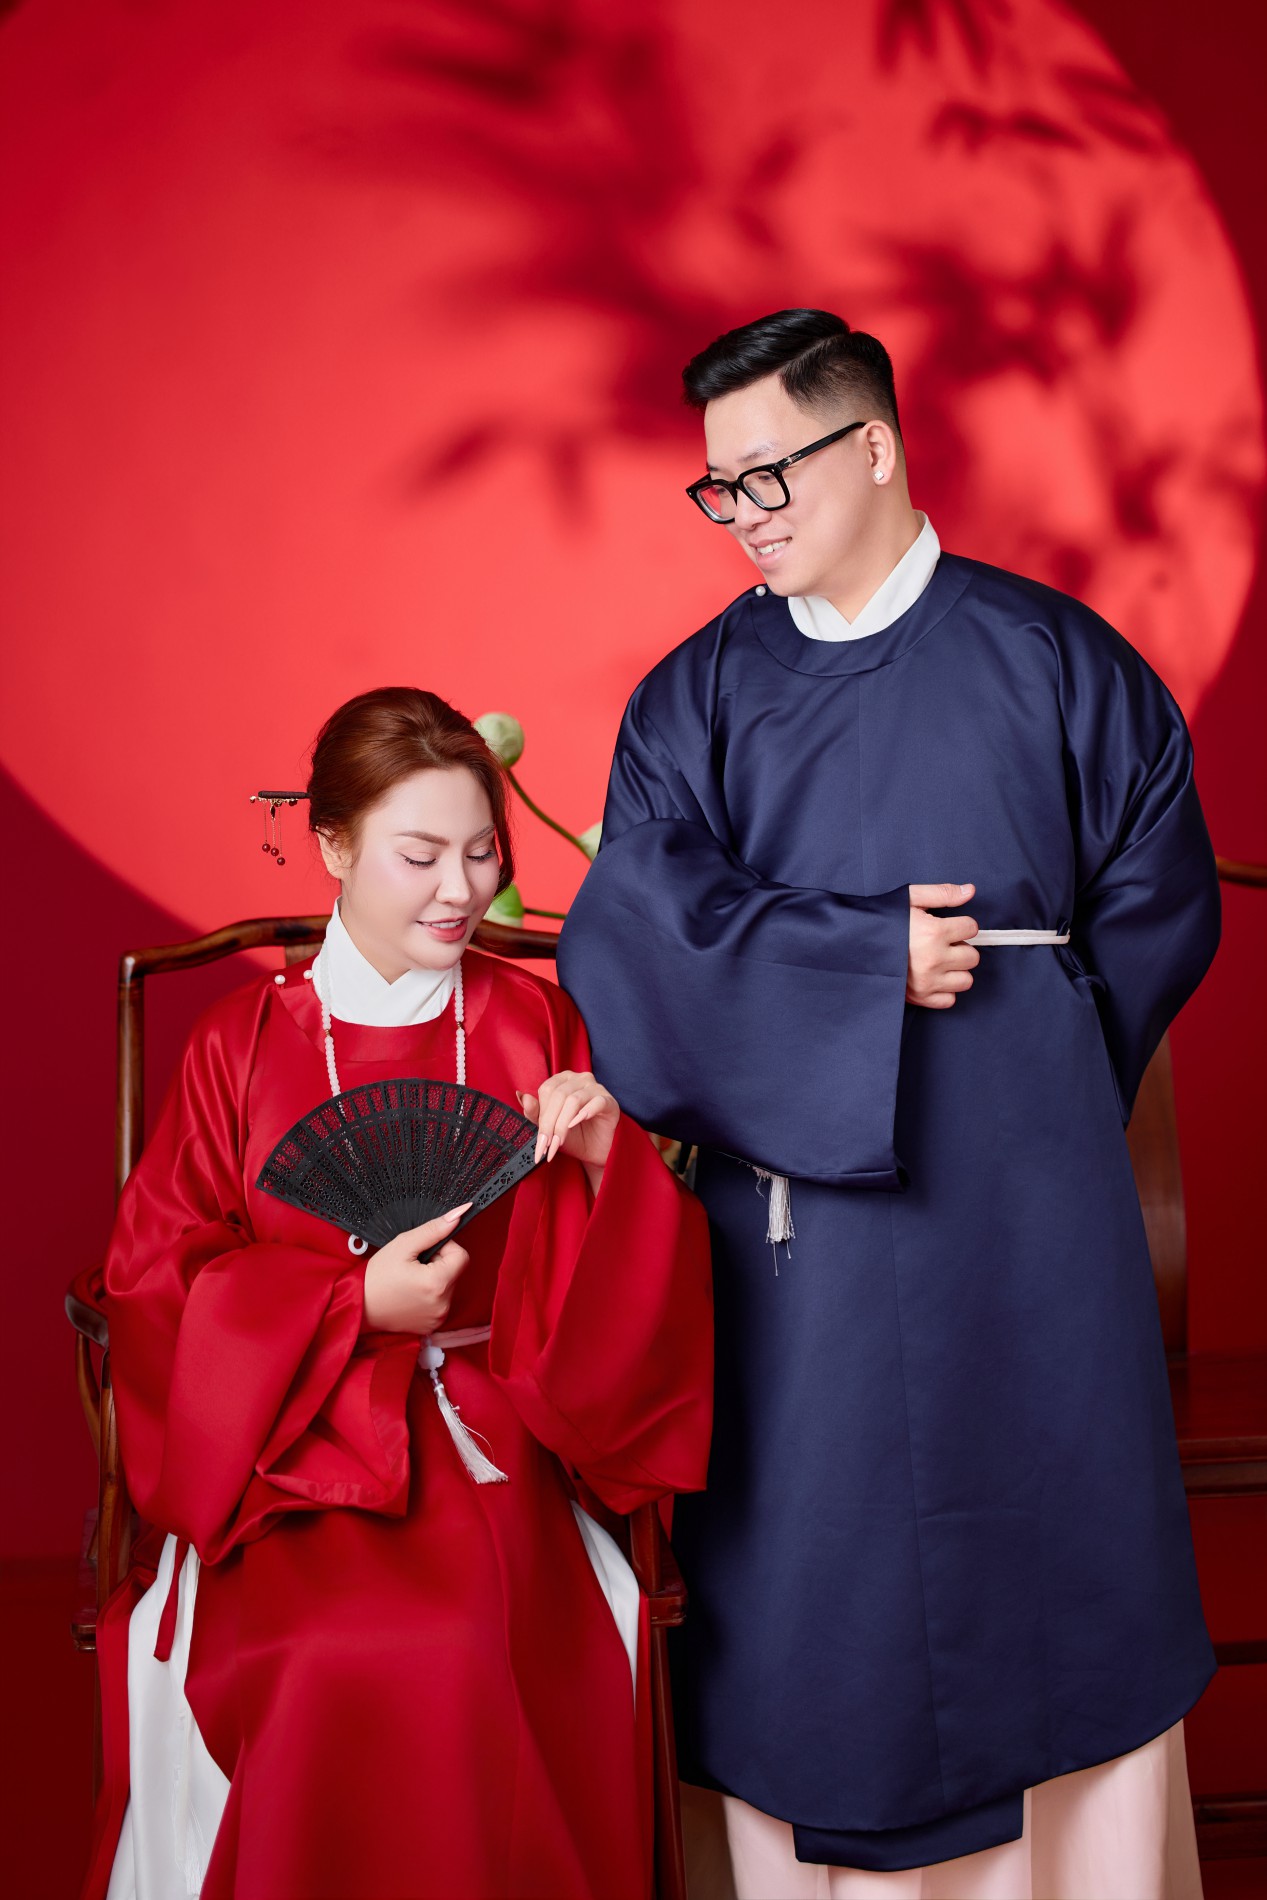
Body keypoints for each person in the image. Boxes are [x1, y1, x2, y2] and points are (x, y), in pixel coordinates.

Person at [556, 309, 1218, 1897]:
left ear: (871, 445)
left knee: (1057, 1556)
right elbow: (630, 940)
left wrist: (1024, 1075)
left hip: (1027, 1204)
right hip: (800, 1250)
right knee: (823, 1577)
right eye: (717, 488)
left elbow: (1153, 905)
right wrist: (858, 971)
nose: (741, 513)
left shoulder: (1055, 659)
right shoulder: (693, 699)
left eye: (767, 473)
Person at [82, 686, 713, 1900]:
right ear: (332, 846)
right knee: (319, 1654)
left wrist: (605, 1165)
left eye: (482, 853)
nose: (458, 891)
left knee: (474, 1644)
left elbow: (619, 1283)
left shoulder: (533, 1019)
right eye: (419, 856)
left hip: (498, 1421)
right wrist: (345, 1307)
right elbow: (154, 1280)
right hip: (285, 1442)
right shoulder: (239, 1043)